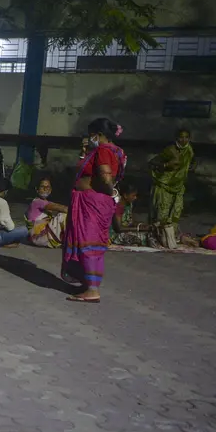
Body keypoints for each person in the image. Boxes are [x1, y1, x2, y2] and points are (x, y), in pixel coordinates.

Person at [63, 116, 126, 303]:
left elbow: (105, 177)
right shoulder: (116, 151)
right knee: (92, 243)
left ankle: (92, 289)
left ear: (99, 134)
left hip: (92, 203)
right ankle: (88, 283)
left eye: (91, 135)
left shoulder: (104, 150)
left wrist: (111, 191)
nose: (90, 139)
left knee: (88, 243)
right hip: (95, 202)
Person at [150, 128, 194, 246]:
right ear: (176, 138)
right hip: (165, 184)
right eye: (181, 137)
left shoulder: (189, 150)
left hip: (178, 185)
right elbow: (153, 162)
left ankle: (171, 236)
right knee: (162, 212)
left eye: (186, 137)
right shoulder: (170, 150)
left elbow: (189, 163)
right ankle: (158, 236)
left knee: (176, 211)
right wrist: (166, 165)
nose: (183, 140)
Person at [26, 177, 69, 248]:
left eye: (48, 187)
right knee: (63, 216)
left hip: (42, 235)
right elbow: (62, 208)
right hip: (38, 236)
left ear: (51, 190)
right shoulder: (37, 202)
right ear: (37, 189)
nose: (45, 189)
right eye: (42, 187)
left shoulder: (46, 203)